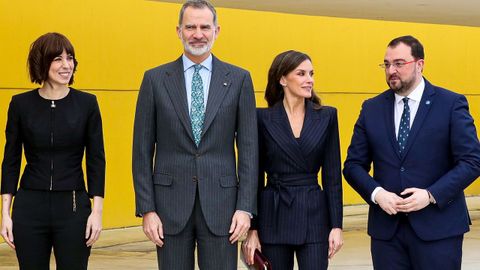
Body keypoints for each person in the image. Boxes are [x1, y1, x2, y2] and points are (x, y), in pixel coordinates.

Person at [132, 0, 258, 269]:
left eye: (204, 27)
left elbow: (248, 149)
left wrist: (245, 207)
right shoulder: (154, 80)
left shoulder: (239, 79)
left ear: (217, 30)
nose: (197, 34)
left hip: (223, 208)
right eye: (190, 27)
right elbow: (141, 150)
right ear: (178, 31)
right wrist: (147, 209)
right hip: (168, 208)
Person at [343, 35, 480, 269]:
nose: (391, 70)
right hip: (387, 234)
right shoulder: (371, 108)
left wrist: (430, 194)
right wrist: (377, 194)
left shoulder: (451, 104)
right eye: (386, 64)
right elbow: (353, 165)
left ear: (420, 64)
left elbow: (472, 161)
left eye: (399, 63)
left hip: (439, 230)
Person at [0, 32, 105, 270]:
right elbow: (11, 160)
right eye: (58, 58)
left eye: (70, 58)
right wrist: (5, 213)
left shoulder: (87, 104)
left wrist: (96, 212)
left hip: (73, 206)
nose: (66, 65)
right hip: (29, 207)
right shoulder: (20, 105)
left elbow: (96, 160)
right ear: (42, 62)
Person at [242, 50, 343, 270]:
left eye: (311, 73)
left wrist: (336, 225)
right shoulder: (262, 118)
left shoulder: (327, 116)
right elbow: (254, 177)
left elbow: (332, 176)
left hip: (315, 216)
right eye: (301, 74)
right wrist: (253, 229)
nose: (310, 80)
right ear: (282, 79)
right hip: (273, 214)